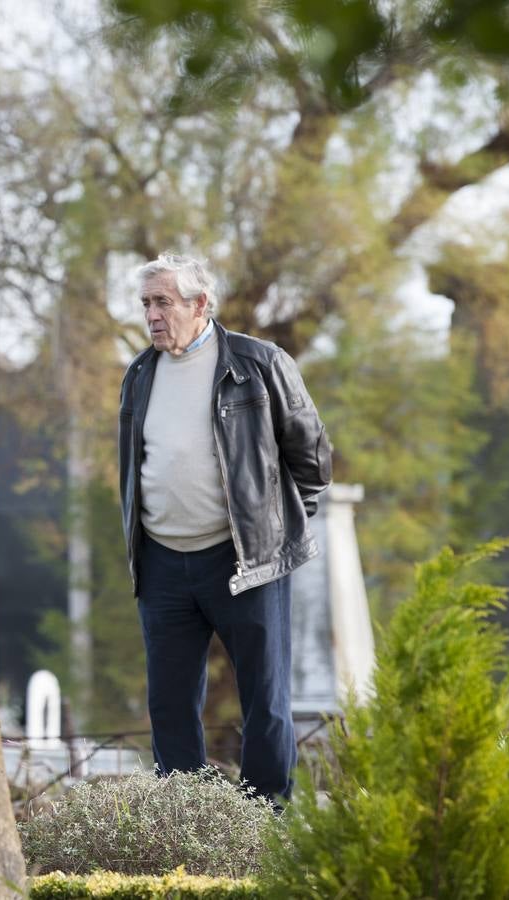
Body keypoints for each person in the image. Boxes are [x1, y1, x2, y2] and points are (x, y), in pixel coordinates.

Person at [116, 252, 332, 803]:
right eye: (147, 303)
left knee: (264, 698)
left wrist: (274, 527)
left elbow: (313, 458)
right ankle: (191, 830)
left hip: (245, 559)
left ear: (200, 304)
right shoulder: (139, 374)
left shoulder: (261, 363)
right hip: (162, 562)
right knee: (169, 704)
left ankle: (266, 825)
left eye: (164, 301)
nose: (153, 315)